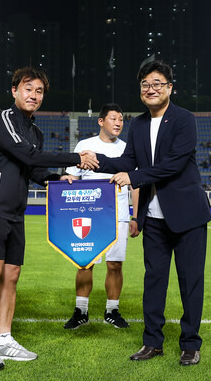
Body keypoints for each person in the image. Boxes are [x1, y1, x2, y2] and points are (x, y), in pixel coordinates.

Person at [0, 67, 98, 371]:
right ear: (14, 91)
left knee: (11, 274)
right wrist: (76, 158)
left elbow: (33, 169)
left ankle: (3, 338)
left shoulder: (35, 131)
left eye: (39, 91)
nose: (34, 96)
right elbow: (27, 156)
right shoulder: (3, 121)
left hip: (15, 212)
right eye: (28, 89)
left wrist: (57, 177)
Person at [86, 60, 211, 366]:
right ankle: (152, 342)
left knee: (190, 281)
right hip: (153, 218)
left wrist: (135, 178)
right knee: (153, 281)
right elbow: (128, 160)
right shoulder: (139, 124)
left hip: (188, 217)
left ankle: (190, 344)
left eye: (157, 83)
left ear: (170, 87)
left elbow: (174, 164)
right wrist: (94, 160)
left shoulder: (184, 119)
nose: (151, 89)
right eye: (145, 84)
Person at [63, 103, 140, 330]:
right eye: (113, 118)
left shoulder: (127, 149)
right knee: (85, 263)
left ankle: (112, 311)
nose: (118, 123)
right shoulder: (85, 146)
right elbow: (72, 178)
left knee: (115, 265)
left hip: (118, 216)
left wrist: (135, 216)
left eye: (121, 120)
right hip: (88, 216)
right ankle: (81, 311)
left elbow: (136, 184)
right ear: (101, 121)